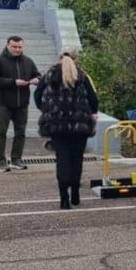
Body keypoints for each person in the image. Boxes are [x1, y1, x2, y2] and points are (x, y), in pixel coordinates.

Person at [37, 48, 98, 209]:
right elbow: (93, 98)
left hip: (57, 125)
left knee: (62, 159)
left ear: (59, 58)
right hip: (79, 125)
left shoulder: (49, 75)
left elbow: (37, 96)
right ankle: (75, 193)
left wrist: (47, 109)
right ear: (76, 58)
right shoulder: (82, 75)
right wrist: (92, 112)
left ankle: (64, 198)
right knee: (76, 159)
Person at [0, 36, 40, 172]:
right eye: (14, 47)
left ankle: (16, 159)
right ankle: (0, 161)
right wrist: (13, 82)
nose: (17, 49)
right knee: (1, 131)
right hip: (3, 103)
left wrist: (36, 79)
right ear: (8, 46)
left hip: (22, 103)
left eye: (20, 47)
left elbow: (38, 75)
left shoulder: (28, 61)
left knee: (20, 132)